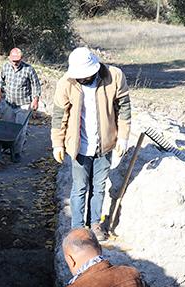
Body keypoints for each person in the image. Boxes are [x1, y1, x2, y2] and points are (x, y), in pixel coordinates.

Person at [51, 47, 132, 241]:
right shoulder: (66, 83)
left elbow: (124, 108)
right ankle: (78, 228)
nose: (81, 79)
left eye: (84, 76)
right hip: (79, 145)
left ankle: (95, 223)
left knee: (99, 186)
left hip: (104, 143)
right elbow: (58, 116)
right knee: (79, 187)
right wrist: (58, 143)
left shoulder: (114, 77)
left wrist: (123, 137)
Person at [0, 47, 41, 163]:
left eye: (18, 60)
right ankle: (6, 147)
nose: (15, 62)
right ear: (9, 58)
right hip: (9, 103)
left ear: (22, 59)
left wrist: (35, 100)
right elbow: (0, 80)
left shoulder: (28, 69)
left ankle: (16, 152)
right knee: (6, 127)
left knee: (20, 130)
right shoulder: (5, 66)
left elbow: (36, 86)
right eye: (13, 60)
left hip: (24, 105)